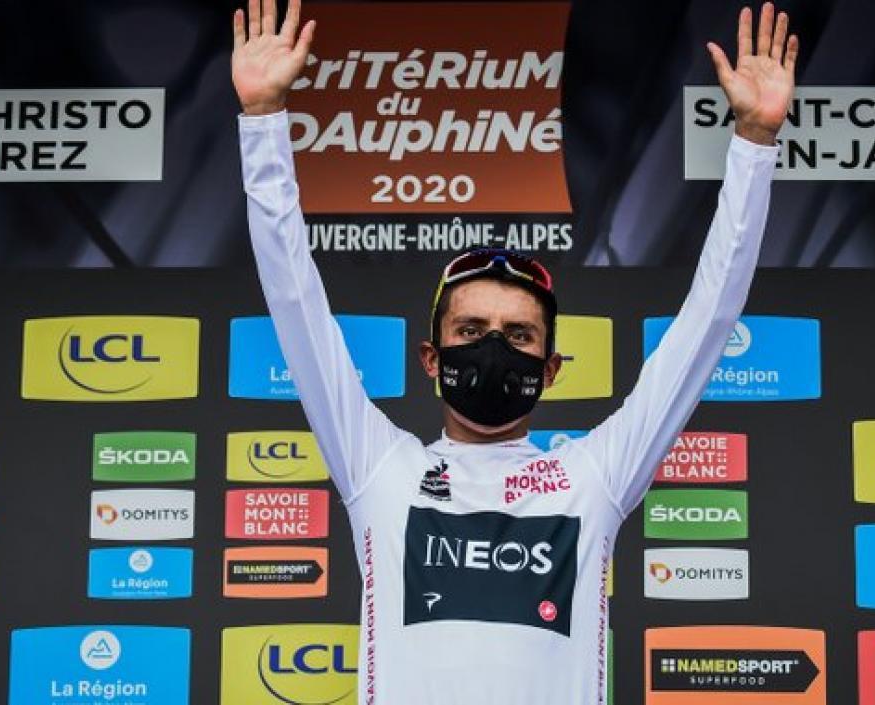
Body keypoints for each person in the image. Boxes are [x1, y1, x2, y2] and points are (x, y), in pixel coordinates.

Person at [232, 1, 797, 701]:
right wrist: (261, 122)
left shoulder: (592, 477)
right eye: (471, 331)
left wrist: (753, 139)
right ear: (431, 358)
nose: (495, 347)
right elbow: (293, 297)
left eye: (520, 336)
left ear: (550, 369)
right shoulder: (378, 465)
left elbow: (709, 319)